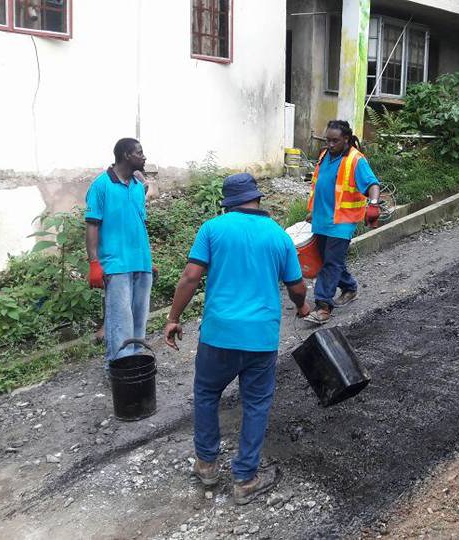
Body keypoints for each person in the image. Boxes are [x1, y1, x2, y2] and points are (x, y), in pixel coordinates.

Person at [163, 173, 310, 505]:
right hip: (260, 339)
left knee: (206, 394)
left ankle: (206, 465)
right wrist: (302, 307)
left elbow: (190, 277)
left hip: (218, 335)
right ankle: (244, 479)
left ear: (226, 202)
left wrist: (173, 318)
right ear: (257, 198)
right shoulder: (278, 236)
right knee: (256, 404)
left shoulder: (213, 229)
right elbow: (297, 286)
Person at [303, 119, 382, 325]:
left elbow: (372, 184)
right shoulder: (324, 155)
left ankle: (323, 306)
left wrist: (373, 203)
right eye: (327, 140)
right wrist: (312, 210)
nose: (329, 144)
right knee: (329, 261)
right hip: (321, 219)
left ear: (346, 139)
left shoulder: (356, 160)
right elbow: (319, 185)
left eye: (334, 141)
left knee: (330, 263)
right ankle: (349, 287)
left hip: (342, 221)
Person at [85, 138, 153, 365]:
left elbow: (138, 223)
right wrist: (94, 263)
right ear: (126, 155)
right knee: (119, 321)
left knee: (138, 320)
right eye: (140, 153)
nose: (144, 157)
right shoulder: (101, 185)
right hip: (116, 264)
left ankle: (133, 366)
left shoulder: (136, 187)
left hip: (141, 263)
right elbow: (92, 225)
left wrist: (148, 259)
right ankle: (118, 368)